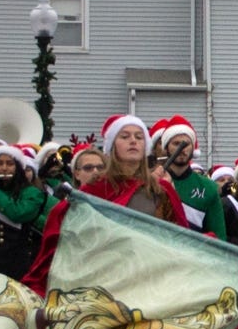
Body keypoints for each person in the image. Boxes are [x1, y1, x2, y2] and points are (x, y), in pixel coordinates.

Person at [24, 115, 189, 291]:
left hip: (149, 278)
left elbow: (180, 238)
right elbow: (66, 226)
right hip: (104, 279)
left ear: (145, 147)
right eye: (124, 137)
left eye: (139, 137)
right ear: (112, 146)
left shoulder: (161, 189)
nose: (133, 141)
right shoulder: (95, 189)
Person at [0, 142, 47, 282]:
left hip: (17, 263)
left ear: (18, 168)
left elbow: (18, 213)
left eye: (10, 164)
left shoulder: (32, 192)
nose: (4, 168)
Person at [151, 116, 227, 242]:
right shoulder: (152, 182)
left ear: (193, 148)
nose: (182, 148)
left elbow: (219, 238)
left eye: (186, 144)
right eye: (176, 143)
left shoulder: (208, 188)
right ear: (166, 148)